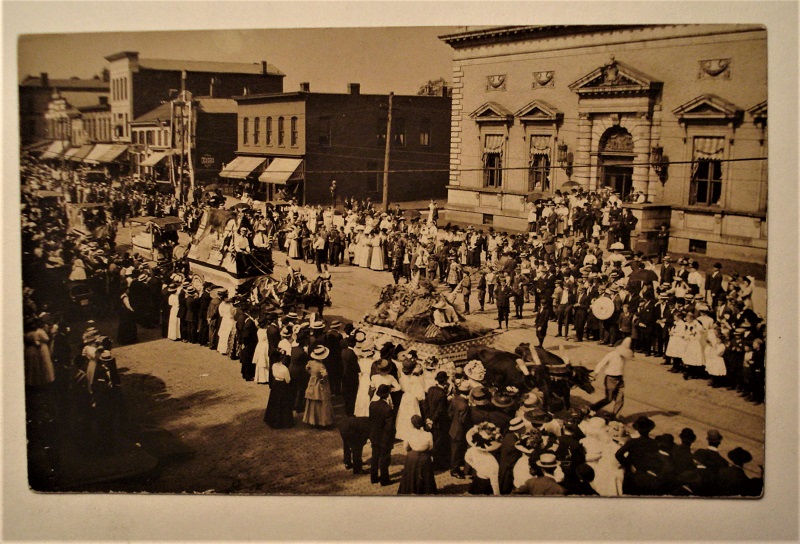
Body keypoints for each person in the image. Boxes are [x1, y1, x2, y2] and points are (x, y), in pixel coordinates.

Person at [590, 337, 633, 419]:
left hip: (620, 378)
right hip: (610, 379)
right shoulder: (611, 355)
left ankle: (615, 417)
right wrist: (596, 373)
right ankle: (593, 408)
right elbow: (602, 363)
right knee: (609, 399)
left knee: (620, 399)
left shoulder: (624, 356)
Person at [397, 415, 437, 495]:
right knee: (426, 476)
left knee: (410, 475)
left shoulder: (409, 434)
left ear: (412, 424)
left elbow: (405, 447)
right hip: (425, 457)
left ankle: (411, 489)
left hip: (412, 457)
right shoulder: (428, 434)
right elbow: (430, 447)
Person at [464, 423, 502, 495]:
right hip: (486, 485)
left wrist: (475, 466)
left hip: (476, 480)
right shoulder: (492, 461)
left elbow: (467, 458)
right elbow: (494, 483)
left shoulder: (472, 450)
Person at [424, 371, 451, 471]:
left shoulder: (430, 389)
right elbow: (439, 411)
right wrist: (433, 420)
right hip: (438, 423)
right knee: (439, 444)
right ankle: (438, 464)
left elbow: (426, 404)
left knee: (433, 441)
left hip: (430, 420)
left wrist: (427, 418)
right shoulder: (442, 394)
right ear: (445, 381)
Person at [369, 384, 395, 486]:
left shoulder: (372, 405)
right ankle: (385, 480)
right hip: (384, 438)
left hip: (374, 435)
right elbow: (390, 427)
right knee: (384, 458)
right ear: (387, 394)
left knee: (375, 457)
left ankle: (373, 477)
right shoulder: (388, 409)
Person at [303, 345, 334, 428]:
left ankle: (312, 420)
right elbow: (323, 377)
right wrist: (325, 376)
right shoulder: (321, 366)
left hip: (312, 383)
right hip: (320, 385)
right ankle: (322, 420)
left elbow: (308, 370)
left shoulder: (310, 363)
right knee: (322, 402)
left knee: (312, 402)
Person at [448, 379, 472, 479]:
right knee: (457, 451)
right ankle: (454, 470)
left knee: (454, 450)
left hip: (453, 428)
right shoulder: (465, 405)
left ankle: (454, 467)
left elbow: (449, 413)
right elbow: (463, 421)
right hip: (459, 431)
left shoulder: (454, 399)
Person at [263, 358, 294, 429]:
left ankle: (272, 419)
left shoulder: (274, 365)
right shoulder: (284, 368)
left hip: (276, 384)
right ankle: (284, 421)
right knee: (283, 402)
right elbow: (288, 380)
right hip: (283, 385)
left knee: (274, 401)